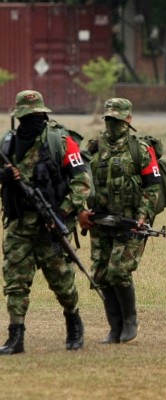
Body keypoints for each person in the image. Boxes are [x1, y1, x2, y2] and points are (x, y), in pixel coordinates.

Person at [0, 90, 91, 354]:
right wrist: (4, 176)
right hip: (19, 225)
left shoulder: (60, 140)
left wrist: (62, 213)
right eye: (25, 117)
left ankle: (73, 322)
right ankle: (15, 336)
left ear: (43, 115)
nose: (30, 122)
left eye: (35, 116)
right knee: (15, 282)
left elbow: (82, 182)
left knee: (62, 282)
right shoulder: (8, 143)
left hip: (52, 225)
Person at [78, 98, 161, 344]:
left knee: (119, 271)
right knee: (101, 274)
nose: (113, 125)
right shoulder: (93, 148)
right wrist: (80, 211)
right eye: (109, 119)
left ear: (128, 119)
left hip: (130, 222)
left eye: (118, 120)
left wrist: (142, 216)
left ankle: (130, 322)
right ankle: (114, 327)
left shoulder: (140, 149)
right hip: (100, 222)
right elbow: (78, 181)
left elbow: (152, 187)